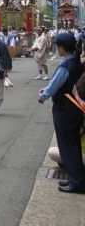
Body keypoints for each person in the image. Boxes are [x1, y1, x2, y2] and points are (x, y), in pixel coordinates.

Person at [39, 33, 85, 193]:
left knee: (67, 146)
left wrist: (43, 96)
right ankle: (75, 179)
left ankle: (77, 182)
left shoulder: (66, 66)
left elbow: (54, 86)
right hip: (74, 107)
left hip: (66, 108)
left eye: (57, 46)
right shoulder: (76, 62)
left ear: (62, 48)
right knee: (71, 144)